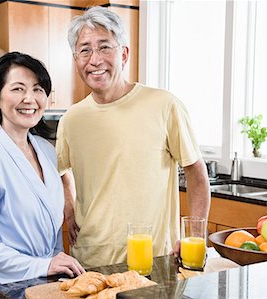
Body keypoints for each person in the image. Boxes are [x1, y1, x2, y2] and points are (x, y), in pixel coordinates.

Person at [56, 6, 211, 268]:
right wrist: (69, 209)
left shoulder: (164, 105)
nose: (95, 59)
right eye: (85, 50)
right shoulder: (72, 119)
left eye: (105, 47)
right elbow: (61, 171)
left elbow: (196, 172)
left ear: (124, 54)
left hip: (156, 261)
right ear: (76, 60)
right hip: (91, 261)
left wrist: (196, 236)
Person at [0, 52, 85, 298]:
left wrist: (54, 266)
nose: (30, 98)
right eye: (17, 89)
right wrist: (42, 266)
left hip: (44, 283)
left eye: (38, 89)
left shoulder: (46, 151)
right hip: (1, 286)